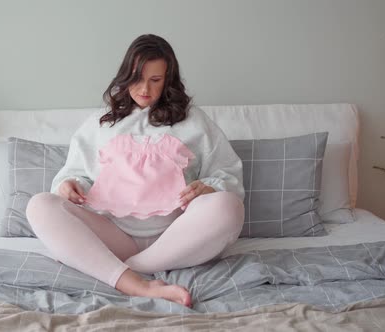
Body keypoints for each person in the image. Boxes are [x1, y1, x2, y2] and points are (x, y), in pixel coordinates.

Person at [26, 34, 245, 308]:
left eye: (155, 80)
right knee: (39, 205)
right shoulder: (100, 124)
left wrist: (209, 186)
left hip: (178, 237)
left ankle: (123, 267)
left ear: (169, 80)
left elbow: (229, 174)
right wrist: (70, 185)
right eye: (137, 78)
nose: (144, 89)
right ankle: (135, 283)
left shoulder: (195, 121)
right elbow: (75, 173)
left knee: (228, 206)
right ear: (125, 75)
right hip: (113, 235)